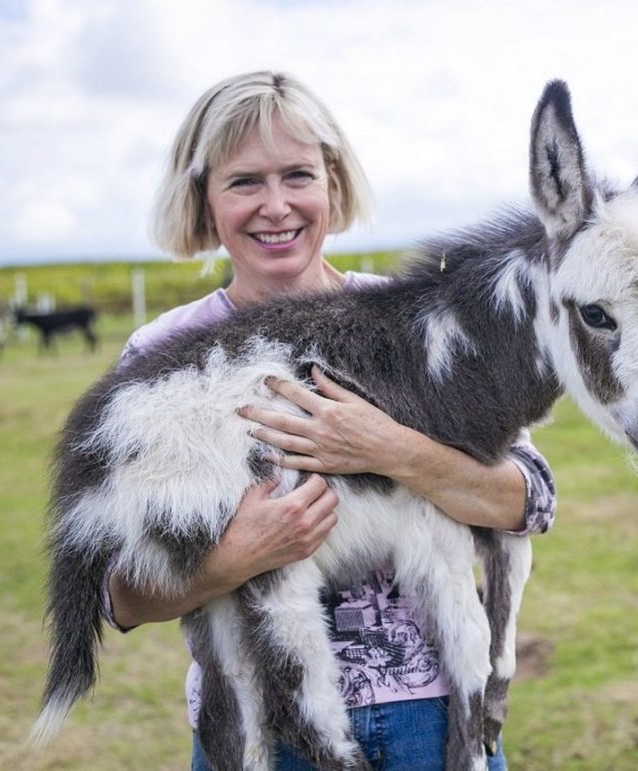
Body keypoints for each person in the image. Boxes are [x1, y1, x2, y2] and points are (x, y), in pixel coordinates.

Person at [101, 70, 556, 771]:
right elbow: (120, 593)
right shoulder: (161, 356)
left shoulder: (416, 319)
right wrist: (237, 555)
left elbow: (531, 497)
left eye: (298, 175)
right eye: (244, 181)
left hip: (436, 729)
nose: (276, 206)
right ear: (203, 199)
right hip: (261, 734)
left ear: (333, 182)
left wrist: (391, 448)